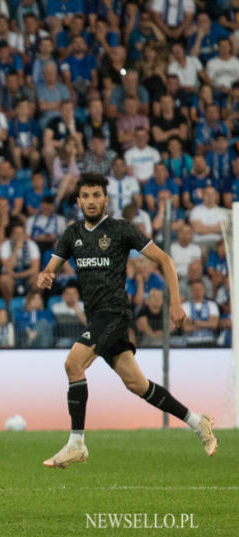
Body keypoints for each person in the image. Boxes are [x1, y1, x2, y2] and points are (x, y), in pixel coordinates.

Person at [37, 173, 217, 469]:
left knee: (72, 364)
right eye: (86, 196)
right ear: (78, 200)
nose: (92, 201)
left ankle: (76, 444)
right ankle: (198, 422)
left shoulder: (121, 230)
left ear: (106, 199)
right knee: (138, 384)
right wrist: (46, 274)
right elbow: (50, 269)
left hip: (115, 314)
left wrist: (175, 301)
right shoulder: (71, 235)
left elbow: (165, 260)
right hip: (97, 318)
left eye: (97, 195)